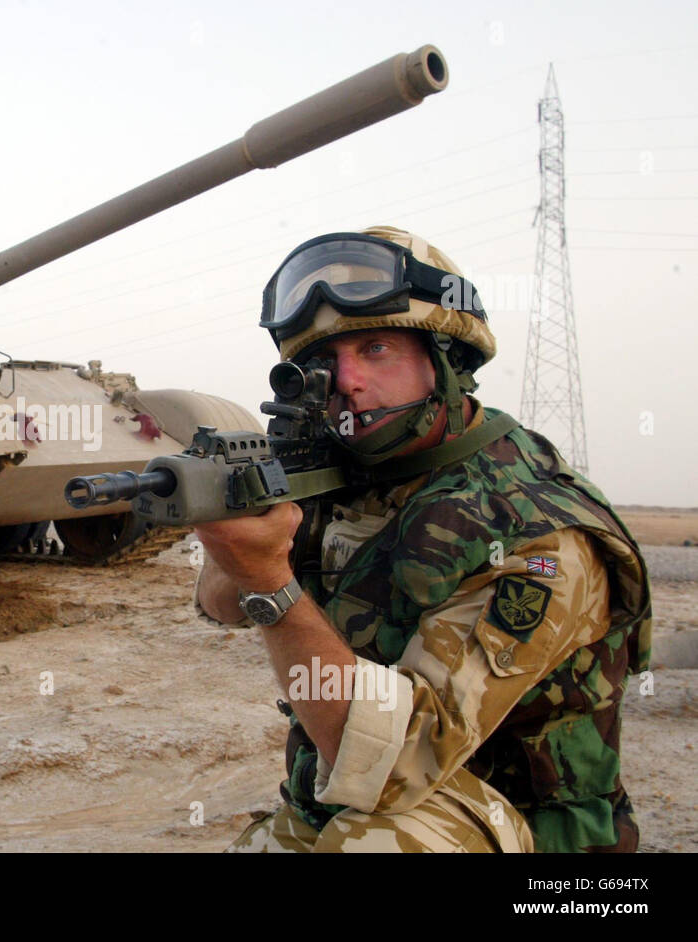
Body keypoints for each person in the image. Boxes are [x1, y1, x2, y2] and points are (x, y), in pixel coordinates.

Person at [195, 226, 651, 853]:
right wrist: (239, 527)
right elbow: (217, 608)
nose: (347, 381)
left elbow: (397, 759)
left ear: (446, 360)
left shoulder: (537, 531)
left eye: (376, 348)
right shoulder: (349, 474)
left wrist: (272, 581)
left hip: (530, 837)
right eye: (324, 364)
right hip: (345, 795)